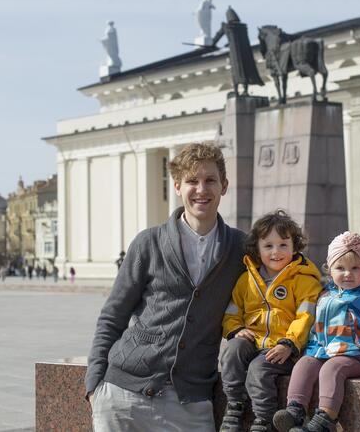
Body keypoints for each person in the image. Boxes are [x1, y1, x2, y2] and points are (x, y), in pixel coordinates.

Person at [85, 142, 246, 432]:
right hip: (123, 397)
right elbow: (113, 315)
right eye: (191, 181)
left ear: (224, 186)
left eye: (210, 180)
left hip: (190, 405)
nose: (201, 189)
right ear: (176, 186)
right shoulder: (149, 243)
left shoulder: (239, 248)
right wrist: (94, 386)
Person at [272, 232, 360, 432]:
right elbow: (316, 329)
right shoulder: (324, 296)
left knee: (332, 368)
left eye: (355, 268)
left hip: (357, 356)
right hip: (324, 350)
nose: (348, 274)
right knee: (305, 364)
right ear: (330, 270)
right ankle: (295, 410)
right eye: (340, 268)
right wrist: (310, 350)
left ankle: (325, 419)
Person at [219, 210, 322, 432]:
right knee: (232, 350)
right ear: (257, 249)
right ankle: (234, 404)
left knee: (258, 369)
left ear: (294, 247)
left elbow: (306, 317)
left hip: (283, 349)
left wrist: (289, 343)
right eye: (268, 246)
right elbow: (232, 312)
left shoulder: (303, 279)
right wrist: (236, 330)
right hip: (253, 341)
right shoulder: (246, 280)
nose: (276, 252)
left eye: (283, 245)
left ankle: (264, 419)